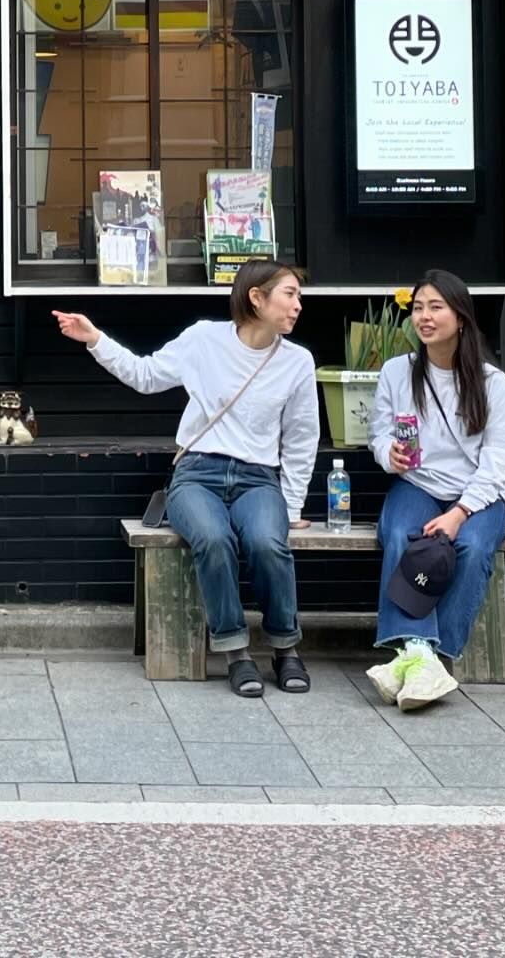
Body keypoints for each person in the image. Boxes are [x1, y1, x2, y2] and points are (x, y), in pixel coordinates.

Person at [54, 260, 319, 697]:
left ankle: (285, 647)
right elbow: (145, 376)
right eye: (289, 294)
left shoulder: (297, 362)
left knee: (267, 543)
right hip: (197, 473)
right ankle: (236, 652)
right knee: (213, 539)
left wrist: (290, 506)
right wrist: (96, 340)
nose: (297, 306)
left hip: (258, 479)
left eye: (298, 298)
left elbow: (302, 439)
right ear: (257, 297)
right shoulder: (203, 339)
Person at [366, 269, 505, 710]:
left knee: (469, 546)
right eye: (418, 308)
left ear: (461, 317)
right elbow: (378, 433)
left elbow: (497, 464)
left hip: (480, 495)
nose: (424, 317)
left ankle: (430, 657)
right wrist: (386, 455)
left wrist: (460, 512)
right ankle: (418, 656)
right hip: (419, 483)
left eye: (436, 307)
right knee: (399, 535)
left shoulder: (495, 385)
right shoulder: (398, 372)